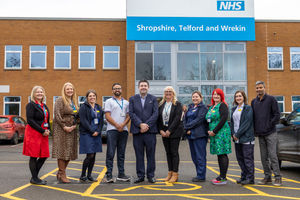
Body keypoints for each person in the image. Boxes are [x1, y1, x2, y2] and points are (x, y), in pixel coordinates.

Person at [251, 81, 281, 186]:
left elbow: (277, 115)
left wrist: (269, 125)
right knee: (263, 157)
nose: (259, 89)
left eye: (260, 87)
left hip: (271, 133)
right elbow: (253, 118)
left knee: (273, 155)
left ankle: (278, 177)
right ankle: (267, 177)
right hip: (260, 134)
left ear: (264, 88)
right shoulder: (254, 102)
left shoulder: (271, 99)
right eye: (257, 88)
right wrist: (255, 130)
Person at [129, 80, 158, 184]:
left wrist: (147, 125)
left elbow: (155, 113)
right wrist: (140, 124)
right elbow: (131, 113)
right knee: (139, 155)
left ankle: (151, 175)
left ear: (148, 87)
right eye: (141, 86)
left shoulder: (153, 99)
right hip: (137, 131)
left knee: (151, 155)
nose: (143, 87)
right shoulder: (133, 99)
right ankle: (140, 176)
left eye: (145, 85)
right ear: (138, 87)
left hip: (150, 132)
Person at [23, 86, 50, 185]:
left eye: (41, 92)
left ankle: (34, 177)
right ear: (33, 94)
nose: (39, 93)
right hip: (34, 133)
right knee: (34, 156)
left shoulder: (44, 106)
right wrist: (42, 130)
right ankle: (35, 178)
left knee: (44, 155)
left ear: (43, 94)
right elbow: (30, 121)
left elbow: (46, 120)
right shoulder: (31, 105)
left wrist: (48, 130)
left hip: (43, 133)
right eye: (37, 92)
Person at [52, 82, 79, 183]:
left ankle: (60, 172)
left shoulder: (74, 102)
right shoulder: (60, 100)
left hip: (72, 130)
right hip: (62, 130)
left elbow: (77, 115)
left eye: (71, 89)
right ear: (64, 90)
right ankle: (62, 174)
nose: (70, 91)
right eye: (68, 89)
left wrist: (75, 125)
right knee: (62, 152)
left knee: (69, 152)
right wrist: (64, 126)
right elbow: (57, 115)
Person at [104, 83, 131, 183]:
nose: (117, 90)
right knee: (110, 153)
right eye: (115, 88)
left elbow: (128, 116)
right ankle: (109, 175)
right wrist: (117, 125)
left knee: (121, 153)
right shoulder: (108, 101)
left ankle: (121, 174)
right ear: (112, 91)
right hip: (112, 130)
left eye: (119, 88)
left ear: (121, 90)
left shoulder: (127, 103)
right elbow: (107, 115)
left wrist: (122, 125)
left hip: (123, 131)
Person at [157, 86, 184, 183]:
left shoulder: (177, 104)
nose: (168, 93)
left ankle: (175, 174)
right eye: (166, 91)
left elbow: (177, 119)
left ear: (173, 93)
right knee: (168, 153)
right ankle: (170, 172)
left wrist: (169, 130)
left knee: (174, 153)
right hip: (164, 133)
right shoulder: (161, 104)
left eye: (170, 91)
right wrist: (160, 130)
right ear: (164, 94)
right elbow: (158, 118)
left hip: (174, 132)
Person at [205, 88, 231, 185]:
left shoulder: (222, 105)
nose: (216, 96)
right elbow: (209, 120)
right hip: (214, 133)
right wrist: (209, 131)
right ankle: (221, 175)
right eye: (214, 94)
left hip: (221, 133)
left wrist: (214, 131)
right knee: (219, 154)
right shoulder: (211, 107)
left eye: (218, 94)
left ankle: (223, 177)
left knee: (222, 153)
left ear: (221, 96)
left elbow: (223, 119)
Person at [230, 90, 255, 185]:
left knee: (248, 159)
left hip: (246, 138)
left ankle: (250, 178)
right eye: (236, 96)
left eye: (240, 96)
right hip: (237, 139)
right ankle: (244, 176)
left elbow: (247, 123)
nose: (238, 98)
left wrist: (237, 134)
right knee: (240, 159)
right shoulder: (234, 109)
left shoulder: (248, 108)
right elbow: (232, 123)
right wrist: (233, 134)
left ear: (243, 97)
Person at [79, 89, 104, 183]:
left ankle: (89, 175)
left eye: (93, 96)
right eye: (90, 96)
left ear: (96, 97)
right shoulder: (83, 107)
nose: (92, 97)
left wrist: (98, 131)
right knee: (90, 155)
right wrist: (92, 131)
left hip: (96, 134)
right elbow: (83, 121)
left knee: (94, 155)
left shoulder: (98, 107)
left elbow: (101, 121)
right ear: (87, 98)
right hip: (87, 133)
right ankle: (82, 175)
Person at [183, 91, 208, 182]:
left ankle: (201, 175)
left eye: (197, 97)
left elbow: (199, 120)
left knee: (200, 156)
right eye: (193, 97)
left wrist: (187, 127)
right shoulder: (190, 107)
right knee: (194, 156)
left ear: (201, 98)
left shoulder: (203, 108)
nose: (195, 98)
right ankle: (198, 173)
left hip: (199, 135)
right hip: (191, 136)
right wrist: (186, 129)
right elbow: (185, 119)